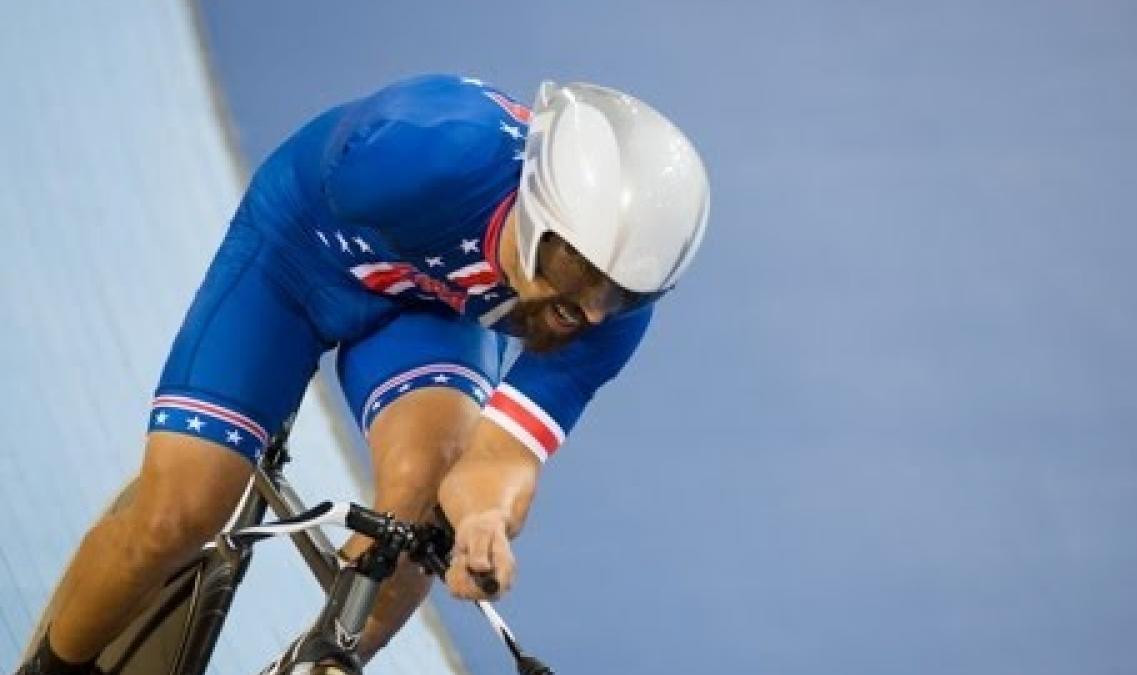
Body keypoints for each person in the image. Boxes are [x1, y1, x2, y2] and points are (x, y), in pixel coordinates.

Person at [17, 73, 709, 674]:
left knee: (423, 508)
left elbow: (498, 459)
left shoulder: (611, 314)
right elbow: (326, 172)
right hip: (297, 257)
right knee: (179, 512)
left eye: (621, 295)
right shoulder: (428, 152)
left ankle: (320, 657)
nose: (584, 314)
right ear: (536, 209)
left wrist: (484, 520)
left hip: (427, 309)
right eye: (572, 276)